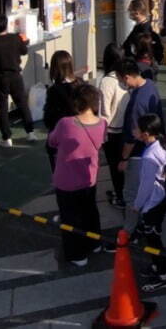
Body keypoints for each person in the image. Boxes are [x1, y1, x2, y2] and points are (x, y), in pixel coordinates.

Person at [47, 83, 108, 267]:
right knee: (90, 211)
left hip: (66, 180)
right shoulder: (103, 123)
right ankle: (94, 242)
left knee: (70, 217)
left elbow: (52, 141)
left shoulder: (65, 123)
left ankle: (77, 254)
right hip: (89, 177)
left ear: (76, 102)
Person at [128, 113, 166, 292]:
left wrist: (136, 205)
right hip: (162, 197)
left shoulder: (149, 155)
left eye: (137, 128)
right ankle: (157, 267)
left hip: (152, 202)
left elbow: (145, 186)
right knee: (154, 234)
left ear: (146, 133)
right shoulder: (165, 146)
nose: (134, 130)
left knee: (153, 240)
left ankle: (163, 274)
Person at [0, 12, 37, 146]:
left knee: (2, 108)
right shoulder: (15, 39)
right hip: (16, 76)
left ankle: (7, 137)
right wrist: (24, 41)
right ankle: (31, 132)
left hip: (0, 79)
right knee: (22, 103)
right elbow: (24, 51)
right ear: (6, 25)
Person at [96, 44, 130, 209]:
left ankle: (120, 196)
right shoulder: (126, 77)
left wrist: (100, 138)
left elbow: (104, 114)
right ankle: (126, 193)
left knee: (115, 166)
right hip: (128, 129)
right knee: (126, 164)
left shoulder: (107, 81)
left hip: (113, 132)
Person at [118, 60, 164, 180]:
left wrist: (124, 158)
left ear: (126, 77)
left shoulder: (137, 103)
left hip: (139, 152)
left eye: (120, 80)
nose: (121, 83)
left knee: (134, 190)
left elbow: (132, 136)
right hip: (156, 144)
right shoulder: (149, 84)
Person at [43, 50, 82, 171]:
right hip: (81, 134)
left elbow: (49, 119)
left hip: (61, 137)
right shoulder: (81, 84)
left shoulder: (54, 90)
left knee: (61, 174)